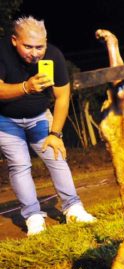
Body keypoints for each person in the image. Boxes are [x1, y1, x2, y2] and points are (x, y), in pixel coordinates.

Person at [0, 16, 96, 236]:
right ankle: (33, 216)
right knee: (20, 165)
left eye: (39, 47)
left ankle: (73, 208)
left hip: (40, 116)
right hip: (5, 120)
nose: (34, 53)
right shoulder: (2, 52)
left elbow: (63, 97)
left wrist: (55, 133)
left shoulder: (53, 55)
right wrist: (26, 88)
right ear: (15, 40)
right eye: (28, 47)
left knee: (56, 157)